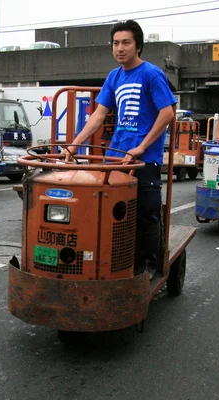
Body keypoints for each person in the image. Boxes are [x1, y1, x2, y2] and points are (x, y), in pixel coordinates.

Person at [63, 20, 176, 278]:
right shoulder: (114, 77)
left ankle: (147, 267)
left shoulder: (151, 73)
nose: (120, 48)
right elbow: (98, 116)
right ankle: (112, 262)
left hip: (143, 159)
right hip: (115, 158)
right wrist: (74, 145)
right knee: (112, 214)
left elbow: (167, 112)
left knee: (146, 213)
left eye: (126, 43)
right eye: (116, 43)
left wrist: (141, 146)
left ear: (138, 46)